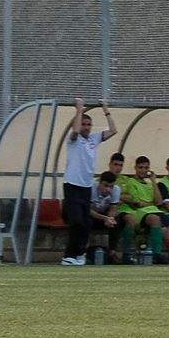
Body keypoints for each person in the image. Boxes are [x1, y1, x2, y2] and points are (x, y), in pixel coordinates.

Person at [58, 99, 115, 267]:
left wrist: (105, 109)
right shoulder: (73, 139)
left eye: (89, 124)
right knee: (76, 221)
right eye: (84, 124)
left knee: (85, 223)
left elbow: (113, 130)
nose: (86, 127)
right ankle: (69, 255)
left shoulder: (93, 139)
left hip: (86, 187)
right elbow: (75, 130)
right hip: (72, 185)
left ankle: (79, 253)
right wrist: (79, 110)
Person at [118, 156, 169, 265]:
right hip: (141, 213)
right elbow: (138, 203)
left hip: (155, 211)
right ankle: (157, 254)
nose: (143, 170)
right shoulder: (131, 182)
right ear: (135, 168)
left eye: (146, 168)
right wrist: (150, 203)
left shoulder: (150, 184)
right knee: (155, 219)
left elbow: (159, 202)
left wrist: (154, 182)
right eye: (140, 167)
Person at [89, 170, 125, 264]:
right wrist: (105, 218)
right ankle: (83, 252)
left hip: (103, 215)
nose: (108, 189)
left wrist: (110, 219)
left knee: (117, 221)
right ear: (99, 183)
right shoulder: (91, 188)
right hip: (91, 215)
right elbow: (88, 210)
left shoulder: (116, 190)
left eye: (111, 186)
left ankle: (112, 253)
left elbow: (113, 209)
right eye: (105, 185)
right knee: (84, 220)